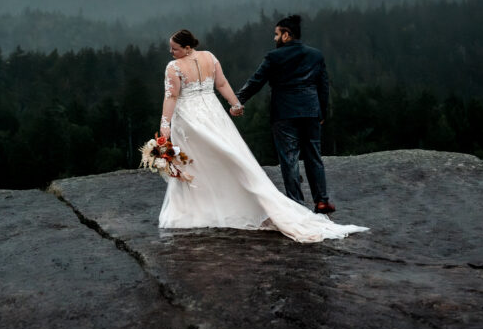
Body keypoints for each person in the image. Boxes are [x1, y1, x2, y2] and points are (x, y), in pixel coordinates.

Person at [156, 29, 366, 243]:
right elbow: (221, 84)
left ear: (188, 47)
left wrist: (165, 123)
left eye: (175, 48)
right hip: (214, 114)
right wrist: (235, 104)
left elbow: (172, 96)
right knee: (223, 156)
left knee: (195, 161)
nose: (170, 51)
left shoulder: (173, 67)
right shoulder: (210, 57)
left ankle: (199, 205)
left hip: (190, 118)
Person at [233, 15, 334, 213]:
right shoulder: (316, 55)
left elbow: (256, 82)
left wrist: (236, 101)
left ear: (287, 35)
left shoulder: (274, 57)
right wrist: (321, 111)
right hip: (311, 111)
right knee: (314, 156)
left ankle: (297, 205)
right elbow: (323, 86)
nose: (274, 38)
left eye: (277, 34)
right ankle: (321, 201)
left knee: (289, 159)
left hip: (284, 113)